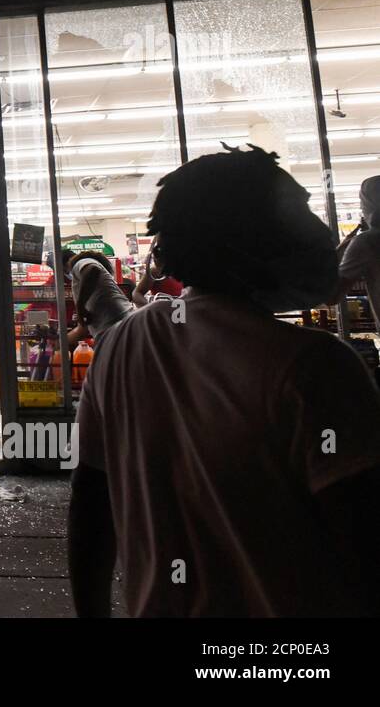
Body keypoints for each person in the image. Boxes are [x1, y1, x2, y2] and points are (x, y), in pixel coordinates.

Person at [70, 145, 380, 617]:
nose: (320, 232)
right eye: (300, 214)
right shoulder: (316, 367)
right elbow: (361, 544)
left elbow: (92, 503)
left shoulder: (118, 347)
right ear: (252, 236)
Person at [332, 174, 380, 333]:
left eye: (362, 203)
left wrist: (344, 247)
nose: (361, 208)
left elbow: (332, 295)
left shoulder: (367, 242)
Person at [64, 249, 134, 343]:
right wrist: (59, 343)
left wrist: (80, 306)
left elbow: (93, 269)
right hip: (118, 329)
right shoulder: (85, 287)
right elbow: (82, 330)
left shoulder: (80, 262)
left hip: (117, 327)